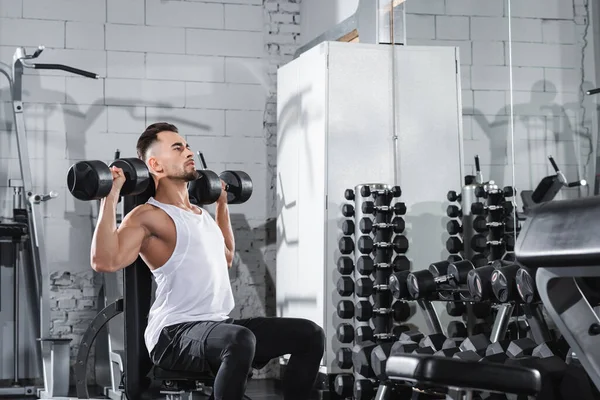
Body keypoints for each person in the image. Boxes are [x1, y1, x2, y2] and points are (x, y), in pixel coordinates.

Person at [90, 122, 325, 400]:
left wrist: (222, 206)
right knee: (239, 340)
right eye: (177, 148)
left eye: (187, 145)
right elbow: (105, 261)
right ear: (155, 164)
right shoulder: (148, 215)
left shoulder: (200, 215)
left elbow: (225, 257)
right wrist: (111, 195)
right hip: (173, 334)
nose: (188, 151)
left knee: (310, 334)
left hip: (217, 325)